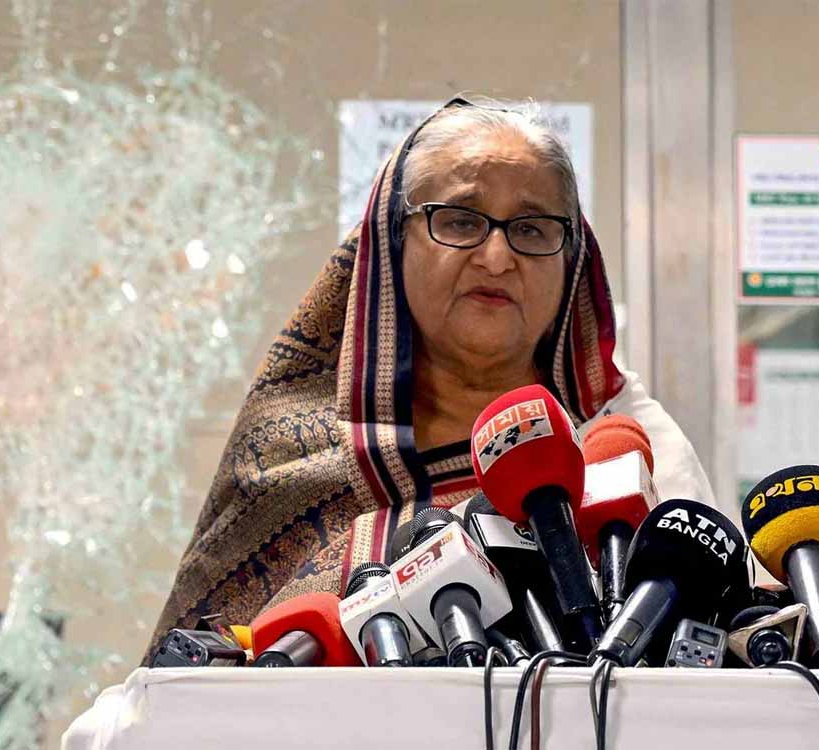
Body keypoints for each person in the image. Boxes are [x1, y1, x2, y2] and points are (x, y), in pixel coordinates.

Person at [144, 97, 713, 661]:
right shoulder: (287, 452)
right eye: (461, 221)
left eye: (532, 228)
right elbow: (179, 688)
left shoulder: (634, 450)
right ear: (395, 242)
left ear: (572, 258)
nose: (497, 257)